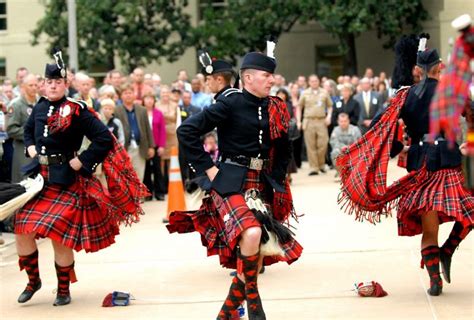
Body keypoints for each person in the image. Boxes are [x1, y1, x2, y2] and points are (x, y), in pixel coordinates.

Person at [167, 51, 302, 319]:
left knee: (259, 245)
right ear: (248, 78)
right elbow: (187, 132)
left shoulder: (274, 106)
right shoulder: (231, 103)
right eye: (266, 76)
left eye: (272, 75)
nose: (271, 80)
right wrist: (209, 168)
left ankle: (226, 313)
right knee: (252, 234)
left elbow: (284, 147)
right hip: (230, 181)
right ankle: (254, 305)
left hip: (259, 184)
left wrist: (276, 179)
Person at [337, 35, 473, 297]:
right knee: (468, 213)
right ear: (440, 67)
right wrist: (469, 143)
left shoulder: (404, 96)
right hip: (448, 162)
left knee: (430, 227)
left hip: (421, 165)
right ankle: (446, 253)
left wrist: (379, 150)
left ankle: (436, 278)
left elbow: (380, 127)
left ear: (418, 69)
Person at [13, 50, 148, 307]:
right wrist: (30, 146)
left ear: (66, 84)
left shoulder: (77, 110)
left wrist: (84, 161)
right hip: (38, 180)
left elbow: (103, 139)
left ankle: (63, 289)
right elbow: (29, 131)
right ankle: (33, 281)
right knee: (22, 229)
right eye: (49, 82)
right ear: (44, 83)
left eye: (58, 82)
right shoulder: (40, 105)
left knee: (58, 235)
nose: (53, 86)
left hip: (65, 180)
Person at [114, 82, 155, 181]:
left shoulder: (142, 110)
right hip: (124, 149)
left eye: (130, 93)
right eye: (125, 93)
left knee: (139, 177)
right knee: (125, 178)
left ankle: (138, 197)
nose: (128, 95)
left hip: (140, 148)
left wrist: (151, 146)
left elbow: (147, 129)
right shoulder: (116, 110)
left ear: (134, 94)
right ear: (121, 96)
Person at [296, 74, 333, 175]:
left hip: (321, 120)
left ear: (319, 81)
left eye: (315, 81)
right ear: (309, 82)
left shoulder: (324, 92)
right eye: (312, 81)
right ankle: (314, 168)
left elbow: (330, 106)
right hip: (309, 120)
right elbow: (299, 107)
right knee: (310, 145)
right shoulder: (305, 93)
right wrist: (298, 121)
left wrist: (329, 116)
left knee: (323, 144)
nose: (314, 83)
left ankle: (321, 164)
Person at [6, 73, 38, 182]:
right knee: (24, 180)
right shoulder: (16, 105)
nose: (34, 88)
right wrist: (31, 133)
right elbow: (11, 129)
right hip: (23, 149)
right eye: (30, 85)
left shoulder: (41, 104)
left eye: (35, 85)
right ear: (23, 87)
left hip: (39, 149)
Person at [142, 92, 166, 201]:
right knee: (146, 169)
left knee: (157, 169)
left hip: (156, 144)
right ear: (143, 100)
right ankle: (148, 193)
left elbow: (162, 131)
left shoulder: (159, 113)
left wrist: (161, 146)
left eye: (151, 98)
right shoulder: (141, 113)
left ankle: (160, 192)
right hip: (145, 145)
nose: (149, 101)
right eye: (147, 98)